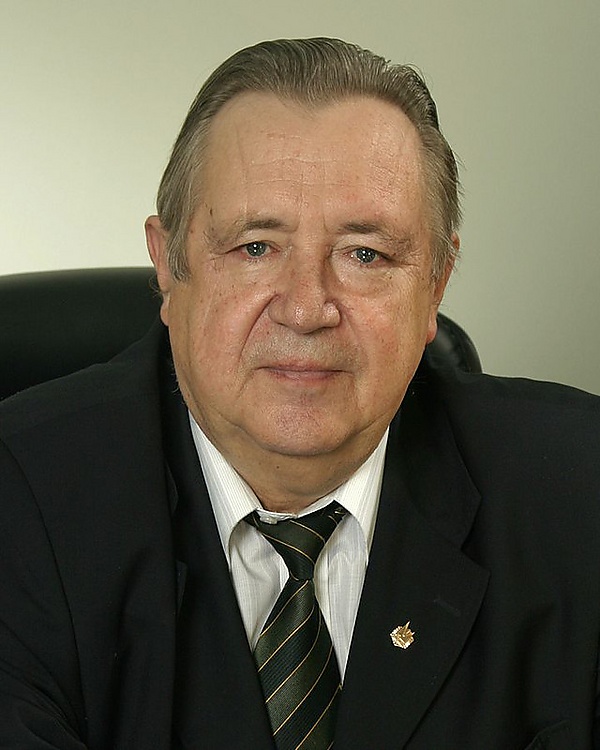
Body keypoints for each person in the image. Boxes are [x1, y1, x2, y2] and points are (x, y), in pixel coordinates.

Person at [0, 37, 599, 750]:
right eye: (256, 247)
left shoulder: (579, 492)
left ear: (435, 284)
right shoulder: (18, 502)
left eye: (366, 254)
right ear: (167, 264)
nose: (307, 308)